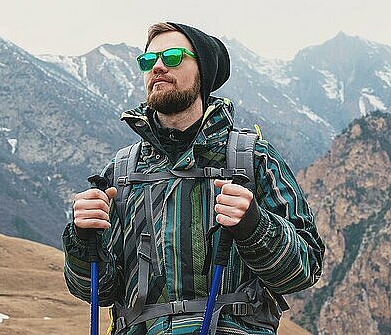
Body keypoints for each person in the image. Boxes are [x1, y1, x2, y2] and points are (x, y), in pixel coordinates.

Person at [62, 22, 325, 335]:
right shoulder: (120, 172)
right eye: (148, 61)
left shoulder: (253, 158)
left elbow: (303, 271)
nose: (157, 67)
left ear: (203, 72)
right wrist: (82, 238)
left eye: (172, 57)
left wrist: (253, 225)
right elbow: (99, 291)